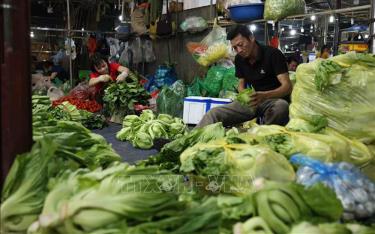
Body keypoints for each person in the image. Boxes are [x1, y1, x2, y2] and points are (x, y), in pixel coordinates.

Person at [196, 25, 292, 128]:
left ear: (251, 38)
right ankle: (192, 140)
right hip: (253, 101)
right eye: (235, 48)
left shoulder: (273, 55)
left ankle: (263, 137)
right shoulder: (239, 59)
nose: (239, 50)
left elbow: (287, 87)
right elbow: (240, 84)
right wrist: (244, 95)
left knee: (281, 107)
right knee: (214, 113)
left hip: (273, 100)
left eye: (241, 45)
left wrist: (264, 95)